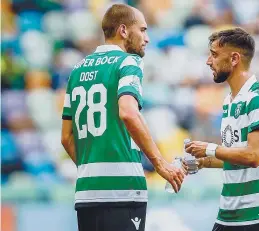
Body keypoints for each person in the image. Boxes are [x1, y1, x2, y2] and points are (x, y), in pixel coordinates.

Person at [60, 4, 185, 231]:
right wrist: (160, 163)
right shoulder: (128, 62)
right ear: (124, 31)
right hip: (123, 191)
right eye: (143, 30)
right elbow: (128, 112)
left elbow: (66, 137)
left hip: (87, 193)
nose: (147, 38)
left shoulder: (77, 70)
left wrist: (93, 172)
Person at [183, 28, 259, 231]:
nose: (208, 61)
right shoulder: (229, 101)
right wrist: (202, 162)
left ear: (234, 59)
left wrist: (209, 148)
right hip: (229, 216)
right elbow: (235, 158)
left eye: (214, 55)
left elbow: (254, 156)